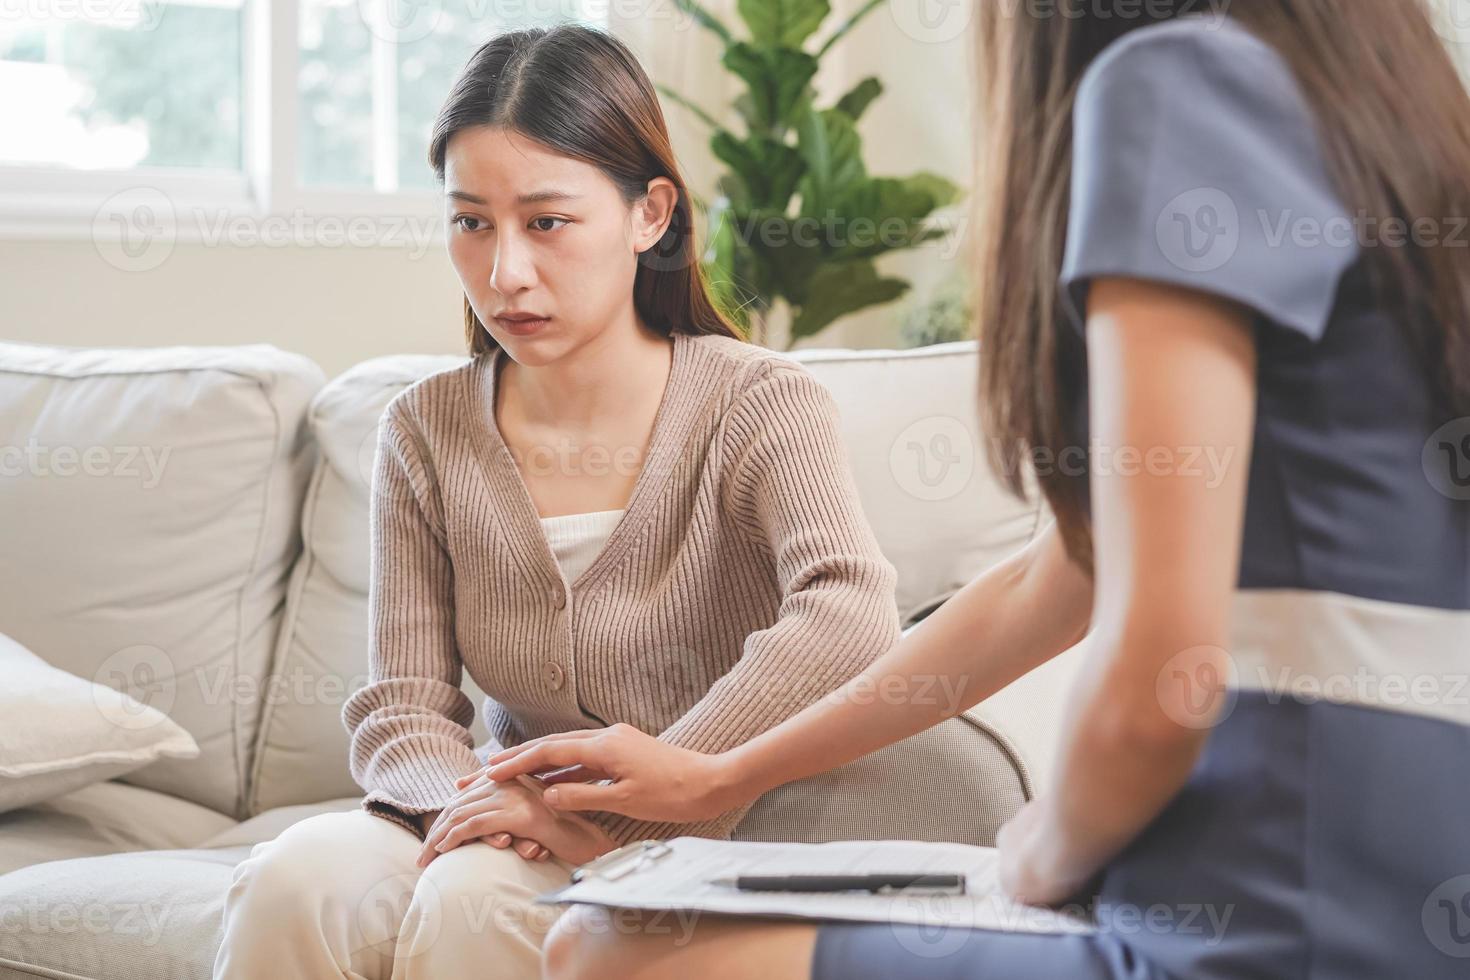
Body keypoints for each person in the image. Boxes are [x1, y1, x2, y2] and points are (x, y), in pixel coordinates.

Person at [477, 3, 1470, 977]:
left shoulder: (1174, 82)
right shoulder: (1385, 101)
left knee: (611, 945)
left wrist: (1040, 851)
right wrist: (717, 775)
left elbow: (1160, 685)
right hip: (1408, 865)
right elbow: (1061, 575)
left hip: (1275, 889)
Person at [212, 23, 903, 980]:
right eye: (470, 222)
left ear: (649, 213)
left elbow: (849, 611)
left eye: (546, 222)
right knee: (295, 876)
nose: (505, 274)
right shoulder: (426, 428)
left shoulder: (758, 402)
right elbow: (402, 704)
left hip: (709, 836)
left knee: (474, 898)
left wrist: (597, 814)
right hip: (503, 819)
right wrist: (482, 810)